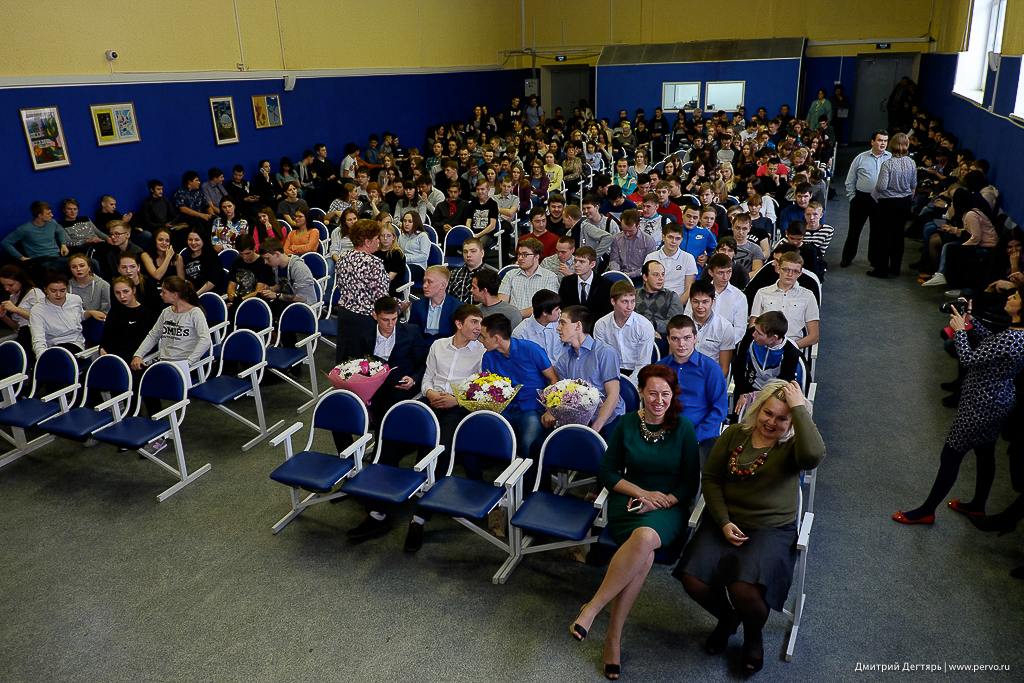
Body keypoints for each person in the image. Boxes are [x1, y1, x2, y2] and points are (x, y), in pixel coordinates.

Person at [676, 380, 825, 674]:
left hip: (771, 529)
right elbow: (712, 479)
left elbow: (813, 456)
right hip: (726, 520)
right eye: (768, 413)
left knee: (743, 588)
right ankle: (728, 618)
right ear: (758, 409)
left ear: (792, 421)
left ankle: (753, 636)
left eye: (782, 418)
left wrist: (800, 408)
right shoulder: (735, 434)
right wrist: (723, 521)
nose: (771, 422)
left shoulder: (794, 446)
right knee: (692, 579)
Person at [571, 363, 700, 680]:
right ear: (640, 392)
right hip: (630, 501)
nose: (659, 400)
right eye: (652, 393)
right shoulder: (627, 423)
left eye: (666, 394)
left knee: (645, 540)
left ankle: (593, 608)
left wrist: (660, 500)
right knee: (644, 555)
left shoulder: (683, 428)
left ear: (673, 395)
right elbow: (607, 472)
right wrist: (642, 494)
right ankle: (612, 638)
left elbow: (689, 484)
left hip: (668, 507)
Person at [346, 305, 485, 551]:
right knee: (390, 439)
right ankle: (378, 512)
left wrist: (456, 399)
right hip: (429, 401)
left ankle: (419, 518)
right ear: (459, 324)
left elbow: (480, 388)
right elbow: (427, 377)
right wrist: (430, 393)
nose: (479, 328)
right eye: (474, 322)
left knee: (440, 449)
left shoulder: (482, 352)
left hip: (457, 408)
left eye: (480, 323)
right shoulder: (439, 345)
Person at [894, 294, 1024, 524]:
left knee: (951, 454)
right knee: (985, 452)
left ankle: (927, 511)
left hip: (981, 404)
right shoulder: (1016, 333)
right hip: (998, 400)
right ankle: (977, 505)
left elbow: (969, 360)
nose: (1011, 296)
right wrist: (970, 322)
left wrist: (961, 332)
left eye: (1016, 296)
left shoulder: (1013, 338)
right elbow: (990, 346)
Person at [344, 296, 428, 431]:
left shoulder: (411, 332)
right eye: (385, 320)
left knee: (384, 418)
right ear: (375, 316)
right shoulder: (365, 338)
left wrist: (413, 379)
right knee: (342, 413)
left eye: (394, 319)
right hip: (375, 390)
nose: (390, 324)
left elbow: (424, 364)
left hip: (401, 389)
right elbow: (360, 366)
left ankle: (381, 440)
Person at [480, 313, 557, 461]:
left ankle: (531, 475)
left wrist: (551, 410)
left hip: (531, 407)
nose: (481, 340)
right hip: (504, 408)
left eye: (483, 337)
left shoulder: (531, 350)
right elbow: (488, 387)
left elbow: (553, 379)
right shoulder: (488, 357)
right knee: (484, 433)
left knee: (529, 445)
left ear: (497, 338)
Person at [657, 315, 728, 465]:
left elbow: (719, 410)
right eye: (675, 339)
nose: (681, 344)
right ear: (668, 340)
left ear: (695, 338)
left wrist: (695, 437)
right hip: (666, 432)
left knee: (694, 471)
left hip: (702, 436)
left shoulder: (710, 368)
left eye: (687, 338)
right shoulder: (660, 368)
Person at [544, 306, 624, 438]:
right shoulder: (564, 359)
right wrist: (551, 410)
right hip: (577, 418)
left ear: (578, 326)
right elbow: (562, 395)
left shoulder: (605, 352)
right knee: (540, 444)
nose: (558, 328)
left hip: (608, 418)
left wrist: (593, 430)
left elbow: (613, 396)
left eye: (563, 323)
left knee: (602, 448)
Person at [131, 276, 211, 409]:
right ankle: (151, 416)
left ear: (175, 295)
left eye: (164, 292)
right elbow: (153, 335)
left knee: (143, 382)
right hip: (165, 362)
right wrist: (138, 355)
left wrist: (189, 362)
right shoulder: (166, 312)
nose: (161, 294)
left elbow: (205, 340)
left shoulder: (195, 313)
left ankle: (154, 416)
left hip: (183, 365)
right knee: (137, 380)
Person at [328, 223, 388, 361]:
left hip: (345, 315)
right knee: (365, 363)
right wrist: (399, 304)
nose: (379, 241)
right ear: (367, 242)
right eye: (376, 238)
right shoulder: (375, 263)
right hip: (365, 319)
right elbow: (381, 299)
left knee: (347, 361)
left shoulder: (342, 258)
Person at [867, 132, 916, 278]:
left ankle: (881, 270)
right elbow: (913, 184)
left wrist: (876, 187)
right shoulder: (911, 163)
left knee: (884, 236)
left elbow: (881, 187)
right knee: (898, 236)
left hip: (888, 203)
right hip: (904, 202)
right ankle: (895, 268)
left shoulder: (887, 164)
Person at [732, 311, 802, 413]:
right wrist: (742, 393)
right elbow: (739, 366)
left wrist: (761, 399)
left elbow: (783, 383)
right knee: (739, 413)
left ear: (773, 338)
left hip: (774, 394)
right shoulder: (750, 336)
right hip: (748, 388)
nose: (754, 334)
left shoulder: (791, 353)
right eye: (755, 330)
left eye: (759, 333)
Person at [749, 252, 820, 350]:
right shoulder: (762, 293)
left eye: (795, 271)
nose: (790, 274)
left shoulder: (808, 296)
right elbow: (753, 326)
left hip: (794, 347)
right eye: (786, 269)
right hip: (764, 347)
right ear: (778, 269)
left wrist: (791, 348)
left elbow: (814, 336)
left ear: (800, 274)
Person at [258, 237, 319, 349]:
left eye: (267, 258)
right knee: (263, 305)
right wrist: (271, 289)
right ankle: (275, 342)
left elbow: (302, 298)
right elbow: (282, 285)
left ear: (277, 254)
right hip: (288, 303)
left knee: (280, 313)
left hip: (305, 307)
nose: (266, 262)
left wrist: (276, 295)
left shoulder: (299, 268)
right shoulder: (277, 267)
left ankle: (289, 349)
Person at [841, 130, 890, 267]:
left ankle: (873, 259)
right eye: (880, 140)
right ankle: (847, 257)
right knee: (854, 230)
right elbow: (850, 180)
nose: (883, 143)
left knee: (876, 231)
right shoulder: (861, 158)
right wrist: (852, 197)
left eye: (885, 141)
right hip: (861, 198)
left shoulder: (890, 158)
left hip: (880, 199)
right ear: (872, 142)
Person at [30, 270, 105, 360]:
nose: (58, 294)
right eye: (53, 291)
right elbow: (38, 338)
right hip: (54, 346)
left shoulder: (75, 299)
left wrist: (89, 312)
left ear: (67, 288)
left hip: (76, 345)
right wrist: (42, 358)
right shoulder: (37, 310)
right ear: (45, 289)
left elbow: (77, 316)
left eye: (62, 290)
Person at [593, 281, 656, 375]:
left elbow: (643, 365)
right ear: (613, 301)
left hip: (636, 372)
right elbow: (601, 359)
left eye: (633, 301)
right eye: (624, 302)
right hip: (610, 370)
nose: (630, 307)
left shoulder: (644, 326)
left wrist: (629, 382)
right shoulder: (601, 325)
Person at [685, 280, 738, 377]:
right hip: (685, 375)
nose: (700, 307)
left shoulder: (725, 327)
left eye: (705, 302)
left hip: (711, 377)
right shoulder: (681, 324)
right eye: (695, 302)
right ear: (690, 301)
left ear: (713, 301)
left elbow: (724, 370)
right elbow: (673, 360)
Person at [99, 276, 159, 363]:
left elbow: (139, 343)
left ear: (134, 290)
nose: (122, 296)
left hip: (131, 359)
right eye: (117, 293)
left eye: (126, 291)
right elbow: (106, 334)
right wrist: (102, 348)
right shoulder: (115, 310)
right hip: (111, 357)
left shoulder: (144, 313)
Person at [2, 202, 69, 276]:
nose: (52, 215)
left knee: (74, 263)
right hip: (39, 260)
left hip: (56, 257)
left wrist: (63, 245)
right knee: (50, 271)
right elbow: (6, 242)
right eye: (48, 213)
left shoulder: (52, 223)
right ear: (40, 215)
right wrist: (20, 257)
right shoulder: (24, 229)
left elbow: (60, 231)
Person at [499, 238, 559, 318]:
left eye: (525, 255)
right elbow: (502, 303)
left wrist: (516, 315)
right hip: (512, 321)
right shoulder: (510, 274)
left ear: (536, 257)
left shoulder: (550, 277)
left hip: (537, 321)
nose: (520, 258)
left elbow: (546, 306)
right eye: (519, 254)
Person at [407, 265, 464, 346]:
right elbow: (412, 332)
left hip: (446, 346)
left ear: (443, 285)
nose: (424, 286)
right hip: (422, 345)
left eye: (430, 282)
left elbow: (458, 336)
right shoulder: (418, 305)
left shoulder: (457, 307)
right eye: (424, 281)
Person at [644, 222, 698, 300]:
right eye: (670, 237)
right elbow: (647, 285)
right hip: (654, 301)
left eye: (678, 238)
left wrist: (676, 305)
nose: (673, 241)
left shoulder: (688, 258)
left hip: (679, 302)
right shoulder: (651, 257)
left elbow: (689, 289)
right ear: (663, 237)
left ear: (681, 240)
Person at [0, 265, 43, 359]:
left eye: (10, 285)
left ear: (21, 281)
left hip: (36, 332)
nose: (6, 288)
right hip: (24, 332)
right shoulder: (13, 297)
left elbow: (43, 317)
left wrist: (16, 309)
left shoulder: (34, 293)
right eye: (4, 285)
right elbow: (17, 326)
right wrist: (3, 317)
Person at [559, 246, 614, 321]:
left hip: (597, 325)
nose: (576, 265)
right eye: (575, 261)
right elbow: (564, 308)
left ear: (592, 264)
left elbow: (607, 312)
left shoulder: (605, 284)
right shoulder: (566, 282)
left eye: (582, 262)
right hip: (572, 324)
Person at [699, 253, 749, 336]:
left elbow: (740, 329)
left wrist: (727, 342)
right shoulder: (700, 292)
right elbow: (689, 318)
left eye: (728, 272)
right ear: (711, 272)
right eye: (720, 273)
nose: (725, 277)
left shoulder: (739, 296)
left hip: (727, 340)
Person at [512, 289, 564, 363]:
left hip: (561, 368)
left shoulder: (563, 322)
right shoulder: (521, 333)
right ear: (545, 312)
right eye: (557, 309)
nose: (560, 311)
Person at [226, 234, 275, 312]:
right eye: (241, 254)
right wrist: (232, 296)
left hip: (256, 302)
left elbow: (258, 291)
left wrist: (239, 301)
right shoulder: (236, 261)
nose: (244, 257)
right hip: (240, 299)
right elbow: (231, 285)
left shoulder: (263, 264)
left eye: (247, 253)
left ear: (254, 249)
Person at [608, 210, 656, 282]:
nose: (627, 234)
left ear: (638, 225)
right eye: (624, 230)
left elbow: (649, 265)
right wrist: (617, 273)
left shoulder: (648, 240)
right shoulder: (617, 239)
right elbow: (614, 260)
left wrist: (632, 274)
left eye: (631, 231)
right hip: (621, 274)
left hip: (640, 276)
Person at [176, 228, 224, 296]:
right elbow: (183, 281)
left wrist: (196, 295)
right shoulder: (187, 257)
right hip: (192, 294)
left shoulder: (211, 256)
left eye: (197, 240)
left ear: (203, 240)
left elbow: (213, 281)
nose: (193, 243)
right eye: (190, 240)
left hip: (209, 294)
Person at [374, 223, 407, 298]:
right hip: (377, 285)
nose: (385, 238)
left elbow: (390, 277)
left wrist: (376, 286)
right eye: (383, 235)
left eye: (389, 236)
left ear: (393, 238)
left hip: (391, 287)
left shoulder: (397, 254)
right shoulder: (375, 252)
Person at [397, 211, 432, 280]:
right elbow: (399, 252)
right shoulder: (402, 236)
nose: (406, 224)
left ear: (416, 223)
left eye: (410, 221)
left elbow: (424, 256)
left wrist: (406, 259)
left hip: (418, 266)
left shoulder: (423, 236)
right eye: (404, 221)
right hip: (404, 263)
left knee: (400, 272)